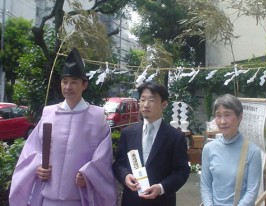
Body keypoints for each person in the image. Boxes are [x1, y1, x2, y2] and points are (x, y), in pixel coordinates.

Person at [9, 48, 117, 206]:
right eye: (64, 82)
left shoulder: (97, 117)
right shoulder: (49, 113)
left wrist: (88, 175)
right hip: (48, 197)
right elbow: (32, 150)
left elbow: (103, 159)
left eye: (74, 82)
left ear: (84, 84)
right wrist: (38, 167)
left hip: (79, 197)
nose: (68, 87)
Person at [112, 81, 190, 206]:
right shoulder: (128, 133)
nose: (145, 105)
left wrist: (161, 187)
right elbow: (119, 164)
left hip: (161, 201)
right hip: (132, 200)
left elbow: (182, 171)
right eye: (142, 100)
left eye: (152, 100)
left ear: (164, 104)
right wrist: (126, 177)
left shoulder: (175, 137)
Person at [200, 94, 262, 206]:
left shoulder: (253, 151)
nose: (222, 121)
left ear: (240, 117)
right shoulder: (209, 148)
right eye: (218, 116)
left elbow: (252, 191)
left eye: (227, 115)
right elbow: (205, 185)